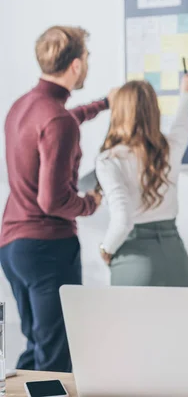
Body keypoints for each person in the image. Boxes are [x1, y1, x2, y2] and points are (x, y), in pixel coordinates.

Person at [0, 26, 115, 372]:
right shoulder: (58, 119)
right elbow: (52, 201)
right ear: (77, 65)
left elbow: (63, 120)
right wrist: (91, 202)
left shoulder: (23, 106)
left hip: (13, 247)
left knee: (38, 346)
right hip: (48, 247)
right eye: (89, 59)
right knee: (56, 357)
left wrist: (103, 104)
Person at [95, 75, 188, 286]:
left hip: (133, 260)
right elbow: (181, 125)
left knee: (129, 321)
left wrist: (107, 248)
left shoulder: (110, 160)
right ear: (154, 112)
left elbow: (123, 220)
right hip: (174, 258)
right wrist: (186, 94)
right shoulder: (170, 149)